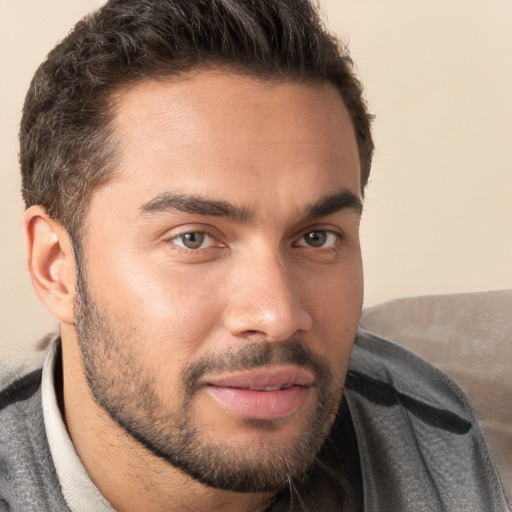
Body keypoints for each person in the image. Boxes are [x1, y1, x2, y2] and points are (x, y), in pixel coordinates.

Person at [0, 0, 508, 511]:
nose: (279, 316)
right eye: (193, 239)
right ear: (56, 267)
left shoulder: (454, 441)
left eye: (317, 238)